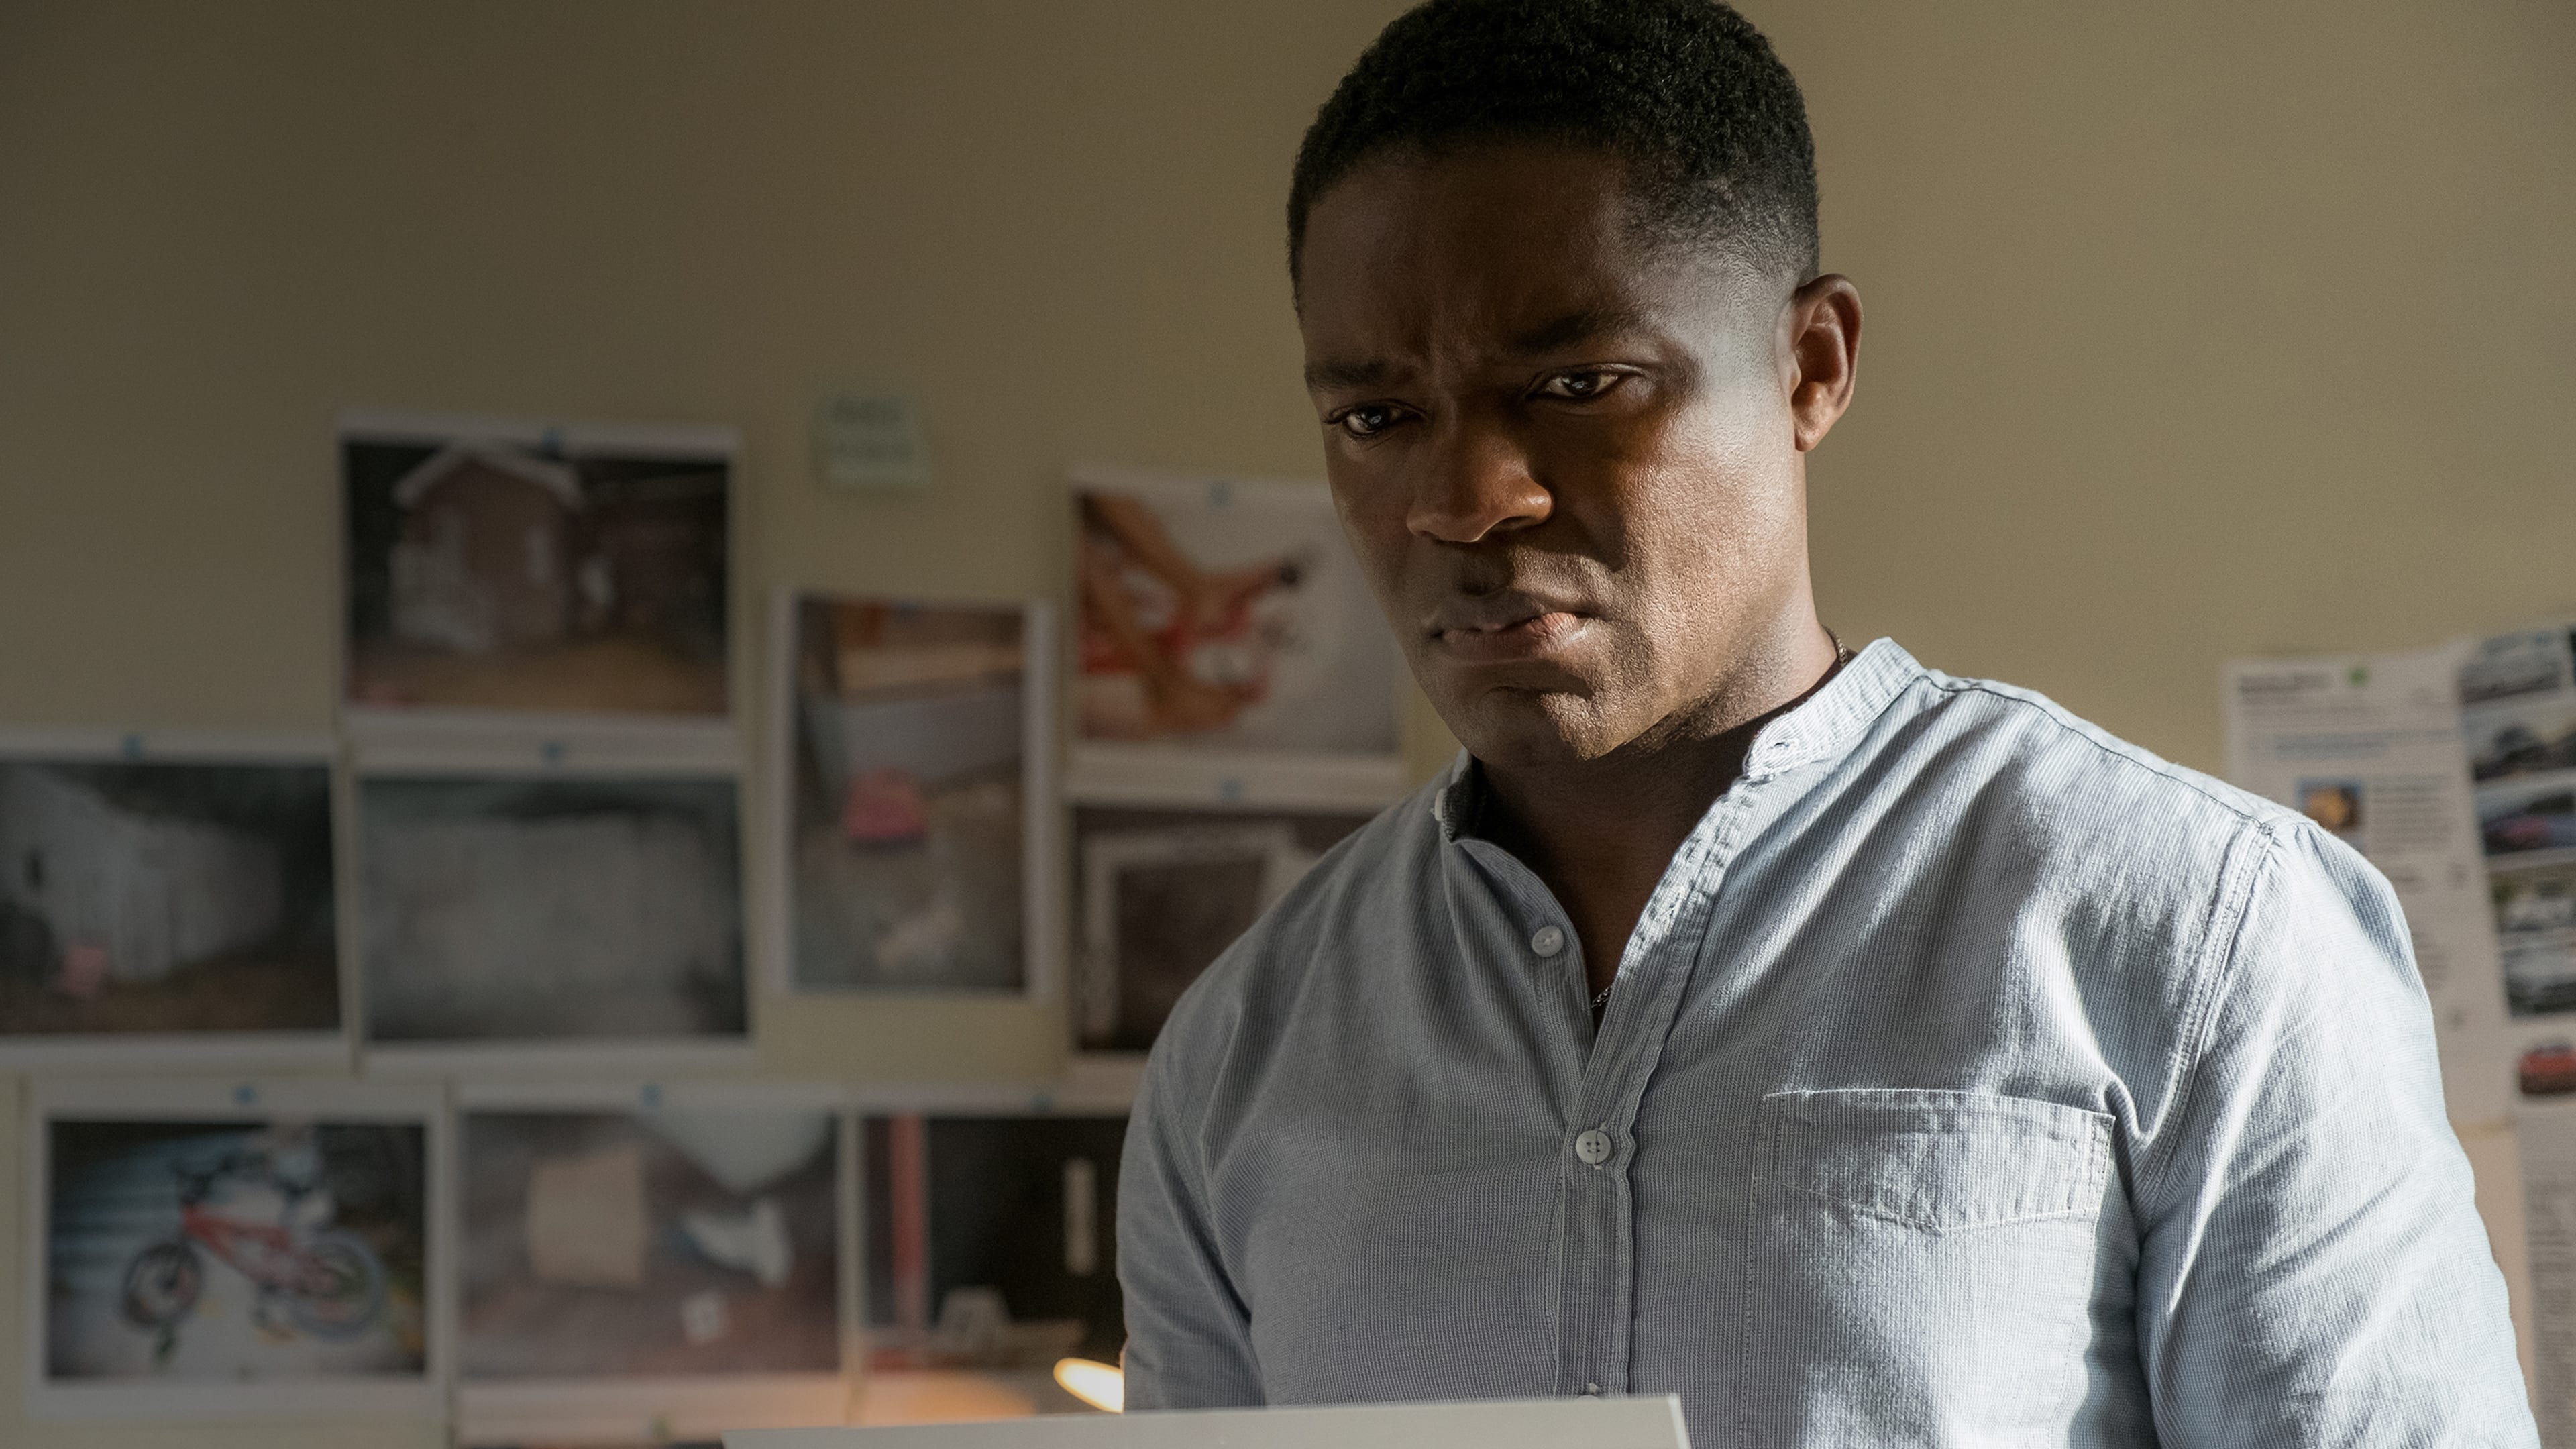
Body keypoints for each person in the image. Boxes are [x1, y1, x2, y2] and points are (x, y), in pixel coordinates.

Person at [1114, 1, 2538, 1444]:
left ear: (1810, 366)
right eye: (1374, 419)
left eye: (1577, 385)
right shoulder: (1239, 1056)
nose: (1465, 499)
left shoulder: (2206, 930)